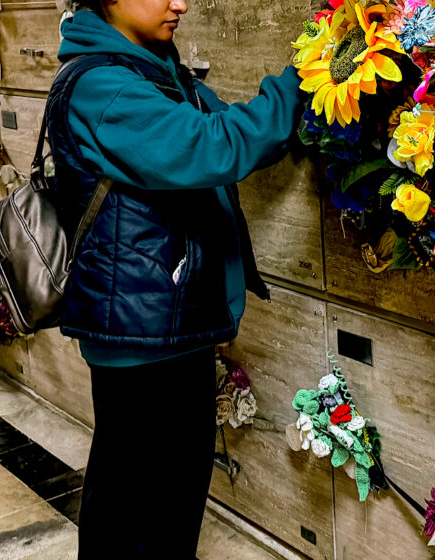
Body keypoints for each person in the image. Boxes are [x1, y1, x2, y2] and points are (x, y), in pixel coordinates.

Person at [48, 0, 302, 556]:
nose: (180, 2)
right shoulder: (103, 86)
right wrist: (309, 73)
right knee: (138, 514)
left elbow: (224, 127)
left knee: (166, 506)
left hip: (165, 324)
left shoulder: (152, 67)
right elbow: (211, 146)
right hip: (142, 338)